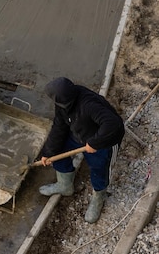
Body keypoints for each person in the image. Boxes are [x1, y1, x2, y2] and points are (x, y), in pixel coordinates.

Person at [39, 77, 125, 223]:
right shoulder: (62, 104)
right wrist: (48, 153)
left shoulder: (89, 105)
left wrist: (95, 142)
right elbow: (59, 127)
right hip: (78, 134)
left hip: (102, 142)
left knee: (100, 170)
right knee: (58, 155)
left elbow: (114, 124)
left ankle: (99, 198)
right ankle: (65, 185)